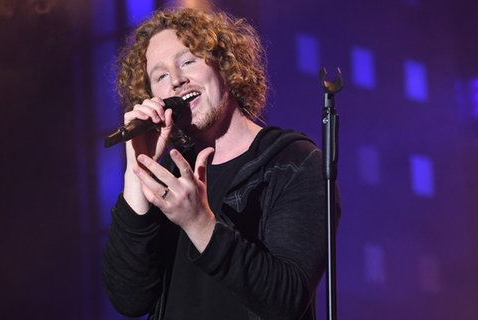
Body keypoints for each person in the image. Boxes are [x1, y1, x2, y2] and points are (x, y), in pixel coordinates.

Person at [101, 7, 340, 320]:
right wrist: (138, 168)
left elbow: (287, 299)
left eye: (187, 60)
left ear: (225, 66)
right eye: (159, 76)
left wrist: (199, 223)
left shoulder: (293, 163)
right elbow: (129, 299)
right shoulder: (170, 177)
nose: (175, 80)